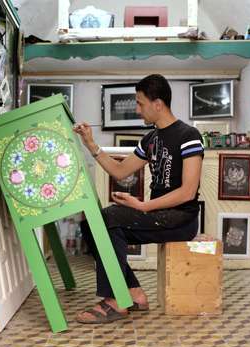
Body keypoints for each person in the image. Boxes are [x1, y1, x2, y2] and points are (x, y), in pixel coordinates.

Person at [73, 74, 204, 324]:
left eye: (140, 103)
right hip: (156, 215)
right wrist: (91, 144)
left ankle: (113, 299)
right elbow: (120, 171)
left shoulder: (189, 135)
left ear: (158, 104)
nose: (137, 109)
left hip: (181, 219)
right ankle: (133, 292)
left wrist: (143, 206)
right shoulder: (151, 139)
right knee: (90, 224)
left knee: (110, 218)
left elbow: (188, 191)